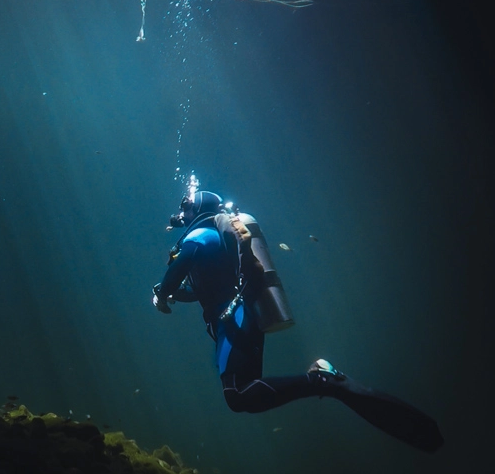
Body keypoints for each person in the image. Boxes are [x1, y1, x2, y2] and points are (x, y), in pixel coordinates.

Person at [152, 184, 444, 453]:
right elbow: (204, 289)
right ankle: (322, 380)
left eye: (185, 205)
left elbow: (182, 266)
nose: (181, 212)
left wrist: (164, 294)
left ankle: (322, 380)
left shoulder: (200, 235)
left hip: (235, 320)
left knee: (238, 395)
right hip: (238, 318)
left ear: (198, 207)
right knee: (241, 395)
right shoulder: (212, 238)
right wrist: (177, 294)